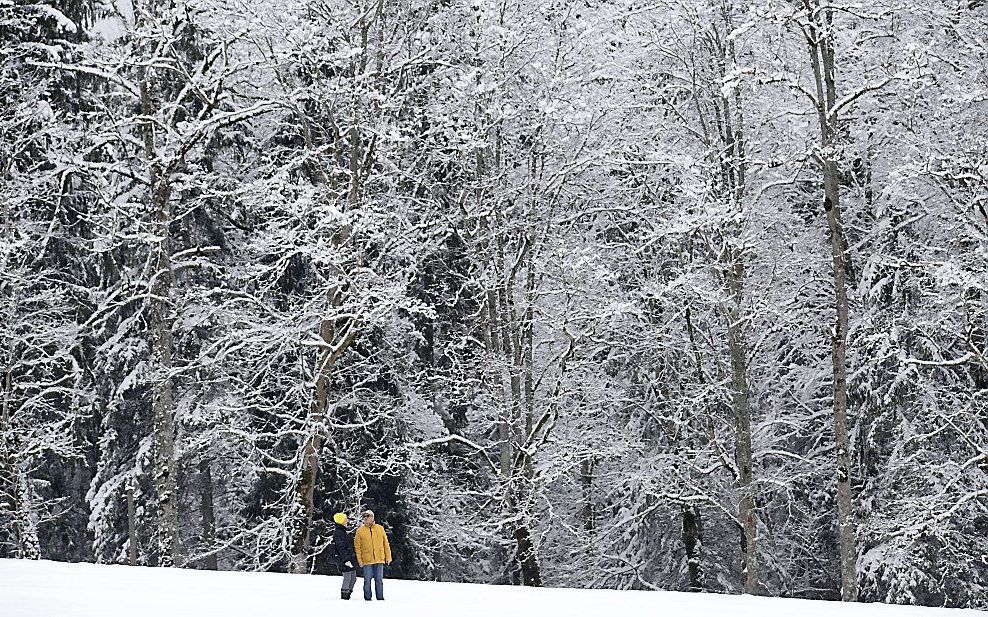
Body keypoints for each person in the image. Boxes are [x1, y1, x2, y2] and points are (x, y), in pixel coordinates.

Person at [353, 509, 391, 601]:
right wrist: (360, 560)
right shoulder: (360, 531)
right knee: (367, 581)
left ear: (372, 517)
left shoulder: (380, 528)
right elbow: (357, 547)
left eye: (367, 516)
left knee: (379, 580)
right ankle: (367, 599)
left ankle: (380, 598)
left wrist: (388, 556)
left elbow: (386, 543)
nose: (365, 518)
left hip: (379, 559)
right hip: (367, 560)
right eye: (364, 516)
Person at [331, 512, 358, 600]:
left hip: (348, 558)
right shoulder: (339, 533)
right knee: (347, 577)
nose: (347, 521)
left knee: (353, 577)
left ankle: (348, 594)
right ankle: (344, 596)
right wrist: (346, 560)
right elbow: (341, 547)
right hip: (344, 559)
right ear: (341, 521)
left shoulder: (342, 531)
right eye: (345, 519)